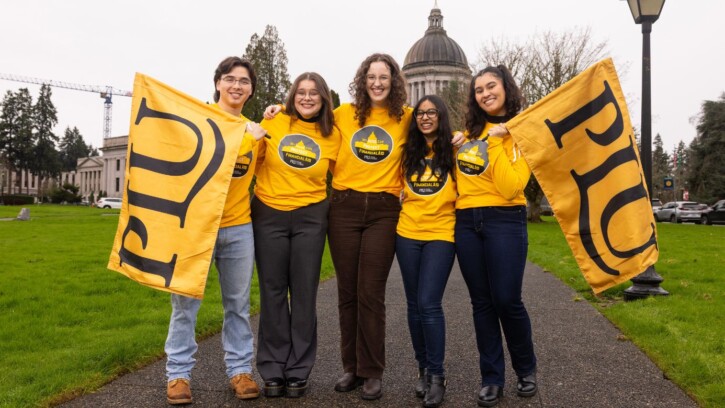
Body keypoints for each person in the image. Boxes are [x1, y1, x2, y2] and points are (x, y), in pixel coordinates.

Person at [164, 56, 267, 405]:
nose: (237, 85)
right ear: (218, 84)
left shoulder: (256, 131)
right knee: (184, 304)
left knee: (237, 305)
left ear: (251, 89)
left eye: (244, 81)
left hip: (239, 228)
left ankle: (239, 371)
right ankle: (178, 376)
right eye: (230, 79)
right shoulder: (199, 122)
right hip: (196, 228)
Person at [252, 72, 341, 398]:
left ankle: (299, 370)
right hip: (269, 214)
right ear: (293, 96)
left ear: (323, 98)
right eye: (301, 92)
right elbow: (251, 159)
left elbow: (349, 174)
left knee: (304, 294)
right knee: (273, 293)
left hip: (311, 217)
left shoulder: (333, 135)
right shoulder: (274, 122)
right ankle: (272, 370)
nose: (306, 98)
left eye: (313, 93)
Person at [454, 65, 537, 407]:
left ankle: (526, 369)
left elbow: (510, 186)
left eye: (492, 86)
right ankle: (492, 377)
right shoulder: (466, 134)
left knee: (506, 299)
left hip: (505, 219)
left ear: (506, 89)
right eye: (479, 90)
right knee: (482, 303)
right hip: (466, 221)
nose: (485, 93)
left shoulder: (523, 132)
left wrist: (498, 142)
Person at [395, 94, 457, 408]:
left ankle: (437, 375)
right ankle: (422, 368)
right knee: (413, 305)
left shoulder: (456, 149)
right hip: (407, 234)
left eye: (432, 112)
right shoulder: (407, 152)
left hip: (441, 234)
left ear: (441, 116)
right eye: (420, 113)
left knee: (429, 303)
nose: (426, 117)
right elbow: (393, 188)